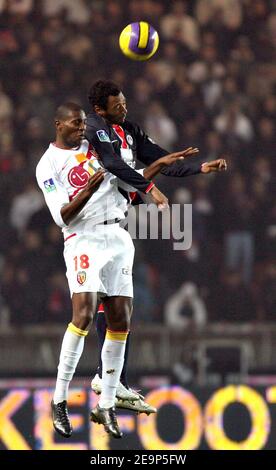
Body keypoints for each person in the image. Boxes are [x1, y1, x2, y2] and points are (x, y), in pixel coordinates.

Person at [36, 102, 197, 439]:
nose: (83, 128)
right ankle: (59, 400)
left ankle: (107, 403)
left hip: (119, 236)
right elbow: (61, 216)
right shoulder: (48, 165)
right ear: (58, 125)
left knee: (120, 319)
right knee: (82, 315)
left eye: (84, 123)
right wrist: (90, 188)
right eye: (76, 124)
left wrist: (156, 167)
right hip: (84, 239)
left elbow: (126, 185)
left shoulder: (97, 146)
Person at [85, 80, 227, 414]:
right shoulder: (93, 131)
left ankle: (111, 380)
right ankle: (103, 379)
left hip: (115, 223)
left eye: (125, 102)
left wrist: (200, 167)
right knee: (106, 306)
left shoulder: (129, 130)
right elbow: (113, 166)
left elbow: (162, 159)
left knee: (119, 306)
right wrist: (149, 186)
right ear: (99, 109)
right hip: (91, 224)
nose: (124, 108)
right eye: (117, 105)